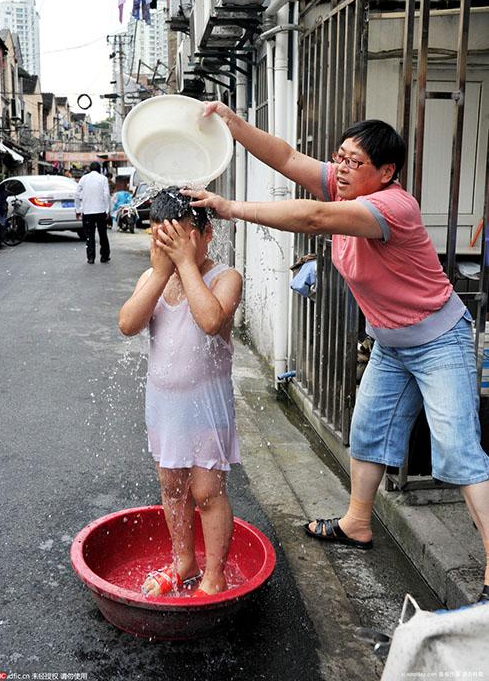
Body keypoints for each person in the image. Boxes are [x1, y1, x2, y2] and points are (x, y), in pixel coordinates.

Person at [185, 101, 489, 603]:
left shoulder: (393, 206)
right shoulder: (347, 184)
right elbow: (284, 156)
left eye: (355, 163)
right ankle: (357, 523)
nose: (341, 169)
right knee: (368, 433)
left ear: (386, 173)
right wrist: (233, 125)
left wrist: (229, 207)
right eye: (339, 158)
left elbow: (314, 217)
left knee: (457, 452)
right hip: (392, 343)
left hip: (439, 341)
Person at [118, 187, 243, 597]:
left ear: (206, 234)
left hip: (206, 408)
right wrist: (158, 273)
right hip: (165, 406)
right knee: (171, 488)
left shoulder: (224, 278)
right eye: (160, 237)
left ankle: (214, 575)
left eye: (179, 236)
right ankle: (184, 560)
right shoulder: (152, 279)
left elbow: (210, 320)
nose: (168, 246)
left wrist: (186, 265)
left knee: (207, 492)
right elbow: (128, 324)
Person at [75, 161, 111, 264]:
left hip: (87, 212)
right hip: (100, 211)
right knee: (103, 234)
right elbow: (106, 195)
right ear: (99, 169)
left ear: (90, 169)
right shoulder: (103, 179)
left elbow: (77, 194)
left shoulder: (83, 179)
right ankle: (104, 256)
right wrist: (107, 210)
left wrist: (78, 210)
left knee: (89, 236)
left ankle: (91, 258)